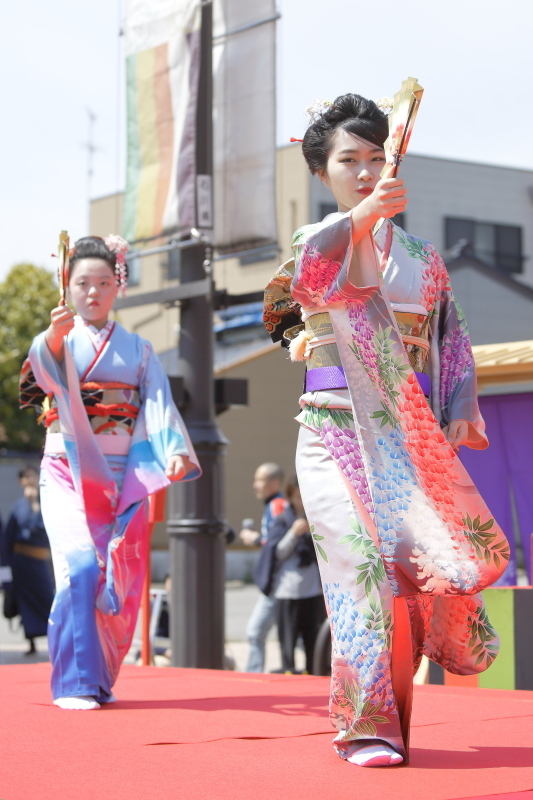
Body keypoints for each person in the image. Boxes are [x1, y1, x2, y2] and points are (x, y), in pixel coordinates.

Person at [263, 93, 509, 766]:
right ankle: (364, 726)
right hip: (333, 427)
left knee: (407, 588)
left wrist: (459, 404)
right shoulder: (314, 243)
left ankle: (393, 720)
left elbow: (450, 342)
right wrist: (360, 222)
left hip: (405, 437)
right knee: (359, 572)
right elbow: (302, 292)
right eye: (350, 161)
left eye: (378, 157)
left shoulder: (424, 260)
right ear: (322, 172)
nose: (366, 171)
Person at [19, 234, 201, 709]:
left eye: (103, 282)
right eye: (83, 283)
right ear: (68, 285)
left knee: (115, 577)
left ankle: (98, 677)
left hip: (123, 478)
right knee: (79, 567)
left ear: (118, 285)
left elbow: (158, 405)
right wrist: (53, 340)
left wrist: (174, 450)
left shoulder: (139, 350)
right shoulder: (57, 341)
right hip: (67, 471)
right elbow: (41, 374)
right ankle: (75, 683)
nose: (93, 292)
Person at [271, 476, 325, 674]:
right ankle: (288, 674)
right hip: (288, 590)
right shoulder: (283, 519)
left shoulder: (318, 519)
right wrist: (293, 534)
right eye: (297, 497)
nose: (301, 502)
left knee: (313, 641)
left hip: (313, 590)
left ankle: (315, 674)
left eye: (304, 497)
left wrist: (313, 534)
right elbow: (277, 553)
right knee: (287, 643)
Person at [0, 466, 54, 655]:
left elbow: (43, 529)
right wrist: (5, 566)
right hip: (20, 563)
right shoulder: (17, 507)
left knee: (48, 599)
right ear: (21, 481)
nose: (30, 480)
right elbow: (8, 537)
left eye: (33, 476)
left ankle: (56, 640)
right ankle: (30, 642)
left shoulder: (47, 503)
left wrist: (35, 505)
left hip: (38, 562)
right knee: (24, 603)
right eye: (26, 477)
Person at [239, 462, 287, 672]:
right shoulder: (273, 505)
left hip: (277, 581)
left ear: (274, 483)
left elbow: (276, 542)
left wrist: (256, 538)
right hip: (277, 581)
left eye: (260, 480)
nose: (255, 485)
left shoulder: (277, 505)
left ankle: (253, 674)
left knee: (255, 632)